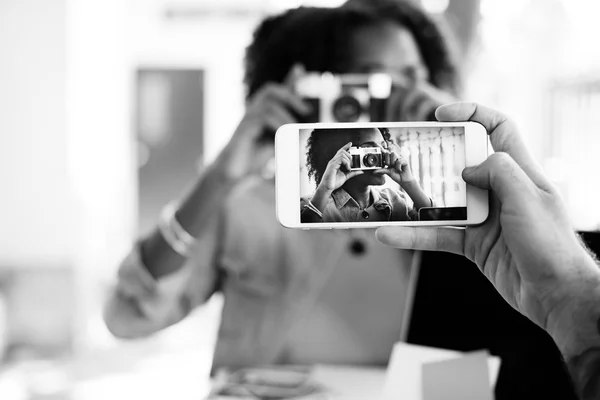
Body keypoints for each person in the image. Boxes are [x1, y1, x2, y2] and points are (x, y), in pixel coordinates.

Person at [104, 1, 459, 373]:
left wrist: (457, 144)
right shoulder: (249, 206)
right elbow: (126, 317)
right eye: (373, 84)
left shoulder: (442, 204)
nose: (405, 100)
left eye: (418, 78)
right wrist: (220, 177)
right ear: (315, 93)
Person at [376, 102, 600, 400]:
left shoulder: (413, 192)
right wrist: (566, 294)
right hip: (450, 350)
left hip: (493, 353)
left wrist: (565, 292)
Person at [301, 127, 432, 222]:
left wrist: (409, 183)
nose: (382, 154)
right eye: (370, 149)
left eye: (383, 146)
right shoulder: (312, 204)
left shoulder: (397, 202)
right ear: (342, 156)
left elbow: (434, 224)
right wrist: (325, 189)